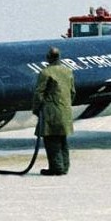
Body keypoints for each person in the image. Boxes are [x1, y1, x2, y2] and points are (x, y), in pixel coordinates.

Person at [32, 46, 75, 176]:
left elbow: (39, 93)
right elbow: (72, 92)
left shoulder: (46, 72)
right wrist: (66, 105)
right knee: (62, 139)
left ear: (48, 58)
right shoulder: (68, 71)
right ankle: (64, 166)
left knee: (51, 140)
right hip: (64, 110)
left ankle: (57, 168)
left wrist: (36, 109)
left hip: (50, 111)